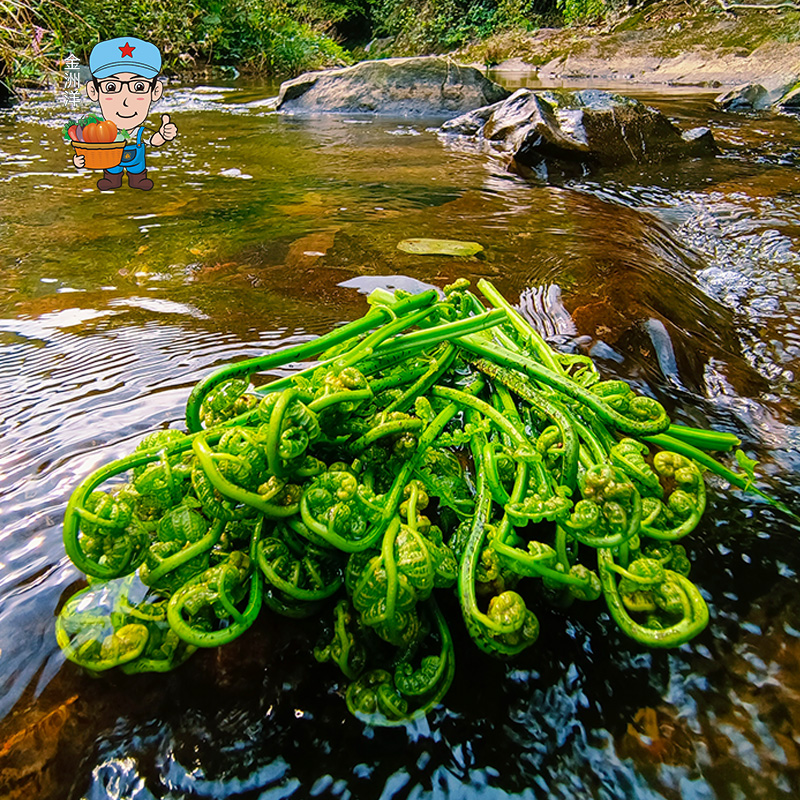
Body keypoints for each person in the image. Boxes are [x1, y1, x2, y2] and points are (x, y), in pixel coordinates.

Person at [73, 36, 177, 191]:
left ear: (155, 91)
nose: (125, 100)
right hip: (111, 165)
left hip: (137, 165)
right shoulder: (96, 131)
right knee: (112, 170)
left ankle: (138, 180)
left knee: (137, 171)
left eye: (139, 87)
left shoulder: (141, 131)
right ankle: (111, 180)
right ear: (93, 91)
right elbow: (89, 152)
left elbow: (152, 141)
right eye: (111, 87)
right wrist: (80, 160)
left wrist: (163, 135)